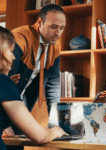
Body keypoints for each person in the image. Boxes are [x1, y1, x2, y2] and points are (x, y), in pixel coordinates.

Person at [5, 3, 66, 150]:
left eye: (62, 28)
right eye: (53, 27)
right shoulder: (19, 39)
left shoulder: (55, 47)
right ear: (39, 22)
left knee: (19, 143)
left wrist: (55, 121)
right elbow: (5, 85)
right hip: (10, 100)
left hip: (22, 102)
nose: (58, 33)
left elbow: (53, 85)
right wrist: (6, 124)